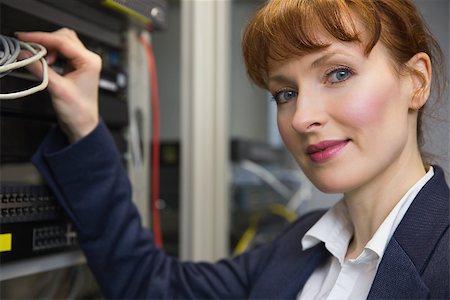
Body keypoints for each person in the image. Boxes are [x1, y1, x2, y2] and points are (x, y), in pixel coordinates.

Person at [17, 0, 448, 299]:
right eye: (284, 93)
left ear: (416, 81)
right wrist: (86, 125)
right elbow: (152, 287)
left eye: (337, 73)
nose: (301, 117)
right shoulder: (304, 244)